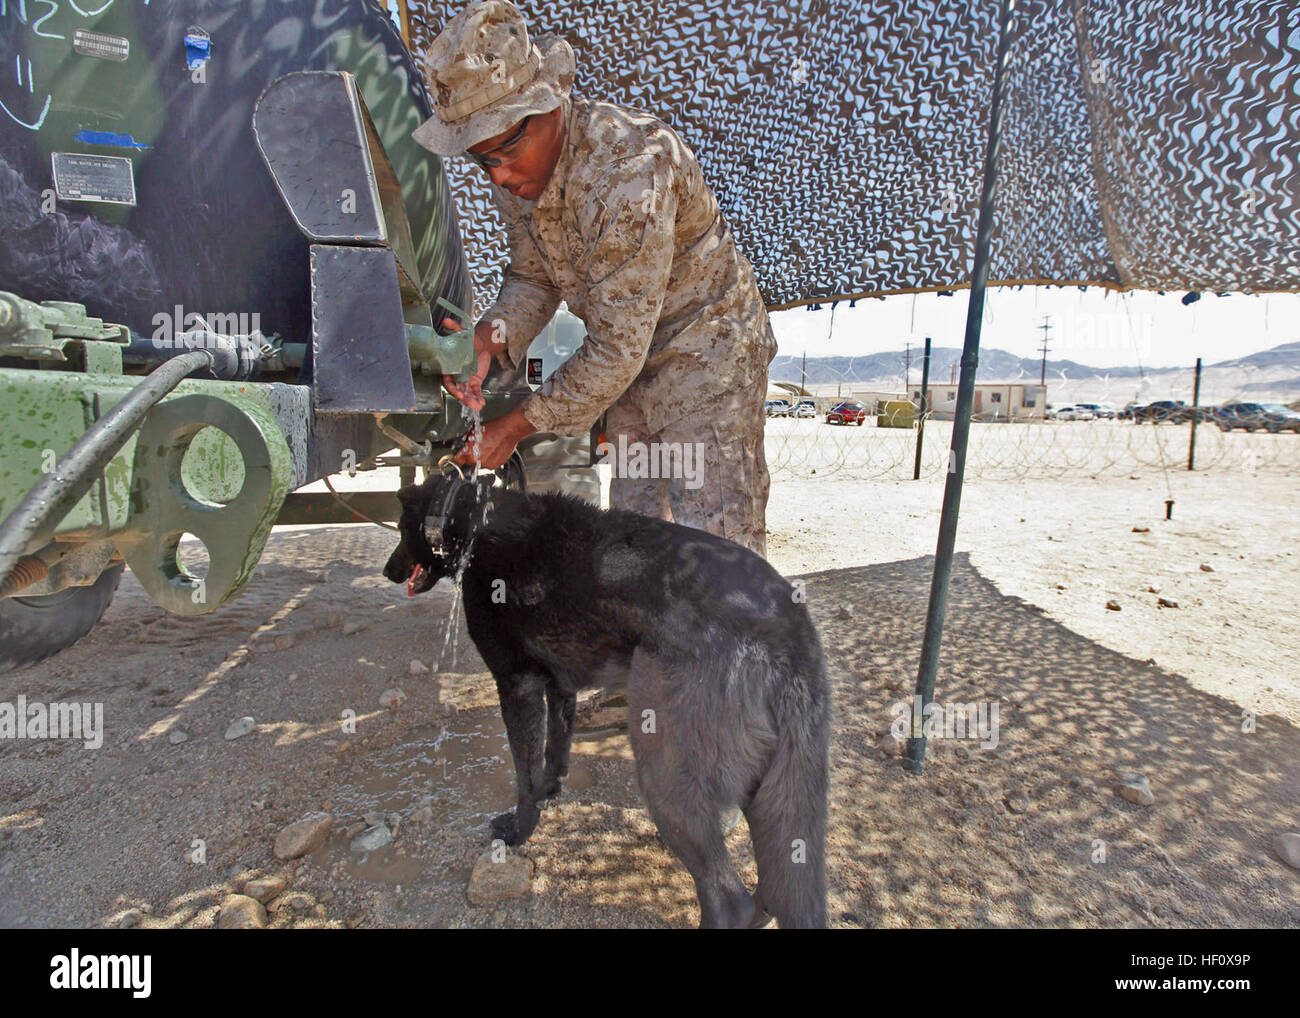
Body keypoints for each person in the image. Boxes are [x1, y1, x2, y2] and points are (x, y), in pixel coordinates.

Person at [413, 0, 777, 555]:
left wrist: (511, 429)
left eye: (508, 148)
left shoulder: (627, 171)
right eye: (482, 159)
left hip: (708, 355)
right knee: (636, 540)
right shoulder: (519, 175)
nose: (501, 175)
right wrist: (490, 340)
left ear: (550, 105)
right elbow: (533, 277)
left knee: (716, 550)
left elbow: (613, 349)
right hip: (630, 367)